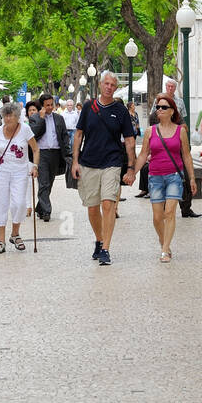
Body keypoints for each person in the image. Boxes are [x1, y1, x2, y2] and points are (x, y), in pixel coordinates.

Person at [71, 70, 137, 266]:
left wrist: (131, 167)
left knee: (108, 204)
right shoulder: (89, 107)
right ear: (100, 85)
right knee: (92, 208)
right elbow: (78, 135)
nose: (109, 87)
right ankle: (99, 240)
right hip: (89, 162)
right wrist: (75, 161)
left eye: (113, 85)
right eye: (106, 84)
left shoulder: (121, 111)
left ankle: (106, 249)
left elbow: (130, 140)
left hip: (112, 162)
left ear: (116, 88)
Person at [132, 93, 194, 262]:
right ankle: (163, 241)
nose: (159, 109)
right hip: (155, 177)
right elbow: (144, 154)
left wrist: (192, 178)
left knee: (169, 212)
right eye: (158, 107)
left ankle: (165, 250)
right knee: (157, 217)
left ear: (172, 111)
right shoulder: (150, 131)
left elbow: (187, 156)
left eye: (164, 107)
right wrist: (133, 173)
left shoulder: (180, 131)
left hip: (174, 175)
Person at [0, 103, 38, 253]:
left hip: (20, 171)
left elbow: (35, 149)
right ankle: (1, 240)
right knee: (0, 203)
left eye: (11, 115)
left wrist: (35, 166)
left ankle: (15, 233)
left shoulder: (25, 129)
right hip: (2, 171)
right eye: (6, 115)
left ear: (18, 117)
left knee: (19, 203)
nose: (8, 118)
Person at [28, 94, 68, 223]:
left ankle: (40, 207)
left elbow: (64, 136)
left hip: (55, 153)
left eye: (52, 104)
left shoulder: (59, 118)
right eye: (47, 105)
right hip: (42, 154)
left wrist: (68, 153)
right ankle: (46, 211)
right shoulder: (34, 118)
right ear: (42, 106)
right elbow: (33, 134)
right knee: (43, 182)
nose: (50, 107)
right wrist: (41, 118)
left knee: (49, 183)